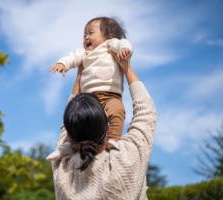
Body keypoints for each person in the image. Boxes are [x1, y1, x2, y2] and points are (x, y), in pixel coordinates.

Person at [51, 50, 157, 199]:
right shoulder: (128, 156)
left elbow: (68, 124)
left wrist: (80, 76)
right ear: (108, 126)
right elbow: (146, 111)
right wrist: (126, 67)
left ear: (70, 133)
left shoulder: (62, 167)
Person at [47, 17, 133, 161]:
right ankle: (66, 145)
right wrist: (62, 64)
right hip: (89, 99)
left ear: (108, 37)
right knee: (78, 118)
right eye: (84, 35)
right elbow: (72, 57)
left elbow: (124, 43)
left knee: (117, 111)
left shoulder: (111, 46)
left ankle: (113, 139)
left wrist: (125, 49)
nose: (86, 37)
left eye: (90, 33)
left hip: (111, 95)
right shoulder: (84, 53)